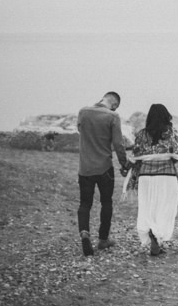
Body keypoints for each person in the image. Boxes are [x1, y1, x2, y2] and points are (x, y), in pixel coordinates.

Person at [76, 91, 130, 257]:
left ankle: (84, 234)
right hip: (104, 168)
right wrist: (124, 164)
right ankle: (103, 239)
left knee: (85, 203)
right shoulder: (113, 116)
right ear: (114, 104)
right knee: (106, 202)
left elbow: (81, 131)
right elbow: (118, 144)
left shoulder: (83, 112)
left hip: (84, 168)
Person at [129, 103, 178, 256]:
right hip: (167, 175)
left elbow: (136, 156)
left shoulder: (141, 134)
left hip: (146, 175)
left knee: (147, 207)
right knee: (165, 208)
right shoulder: (172, 133)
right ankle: (159, 237)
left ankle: (153, 233)